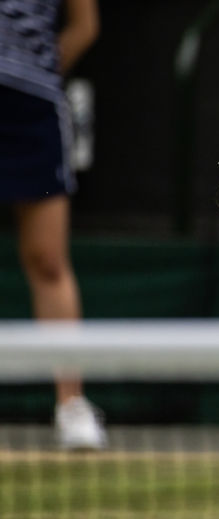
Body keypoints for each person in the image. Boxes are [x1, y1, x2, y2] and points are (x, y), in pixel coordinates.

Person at [0, 0, 106, 450]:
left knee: (46, 259)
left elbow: (84, 25)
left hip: (33, 107)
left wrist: (36, 69)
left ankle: (71, 405)